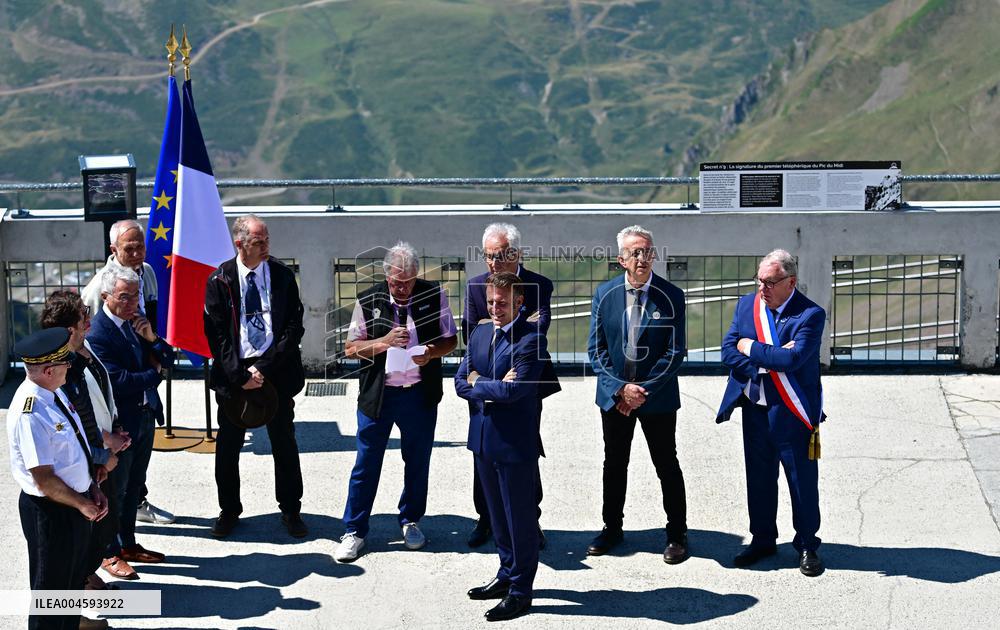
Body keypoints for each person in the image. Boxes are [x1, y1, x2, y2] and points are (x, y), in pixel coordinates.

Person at [334, 242, 458, 563]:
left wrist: (431, 353)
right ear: (386, 275)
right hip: (379, 396)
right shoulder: (368, 300)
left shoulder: (434, 295)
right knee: (366, 463)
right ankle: (354, 530)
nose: (403, 288)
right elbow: (350, 349)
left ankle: (411, 520)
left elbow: (451, 340)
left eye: (409, 281)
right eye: (397, 282)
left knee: (417, 462)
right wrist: (384, 342)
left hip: (419, 394)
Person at [456, 272, 560, 622]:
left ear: (519, 302)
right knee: (497, 516)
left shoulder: (531, 340)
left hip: (515, 444)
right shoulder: (480, 332)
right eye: (490, 302)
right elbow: (459, 382)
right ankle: (506, 573)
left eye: (502, 302)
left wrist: (478, 382)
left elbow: (516, 391)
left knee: (520, 520)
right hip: (483, 440)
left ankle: (521, 590)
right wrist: (491, 384)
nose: (495, 308)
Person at [716, 249, 826, 577]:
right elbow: (727, 352)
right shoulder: (747, 306)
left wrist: (750, 347)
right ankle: (762, 539)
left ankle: (807, 545)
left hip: (792, 411)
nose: (762, 288)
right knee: (759, 479)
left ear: (790, 282)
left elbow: (793, 360)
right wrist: (766, 361)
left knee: (801, 480)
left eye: (770, 282)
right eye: (759, 280)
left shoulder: (810, 315)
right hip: (755, 409)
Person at [586, 225, 689, 563]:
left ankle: (677, 534)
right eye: (634, 253)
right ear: (622, 260)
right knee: (615, 463)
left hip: (656, 398)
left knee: (666, 463)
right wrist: (620, 389)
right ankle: (612, 528)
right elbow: (596, 349)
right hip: (615, 397)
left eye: (647, 251)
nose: (642, 258)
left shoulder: (671, 295)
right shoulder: (604, 294)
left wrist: (641, 391)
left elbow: (675, 351)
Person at [203, 215, 308, 538]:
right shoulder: (220, 280)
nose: (265, 247)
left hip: (275, 369)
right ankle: (229, 510)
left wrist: (263, 368)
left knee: (284, 442)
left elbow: (294, 327)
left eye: (267, 240)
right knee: (228, 446)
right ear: (240, 244)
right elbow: (217, 335)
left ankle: (290, 508)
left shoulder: (281, 276)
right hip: (234, 373)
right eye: (258, 242)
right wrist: (239, 375)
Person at [8, 327, 111, 630]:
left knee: (70, 586)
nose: (70, 366)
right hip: (51, 512)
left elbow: (73, 447)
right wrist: (83, 503)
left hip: (73, 503)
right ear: (49, 370)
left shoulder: (54, 393)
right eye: (65, 362)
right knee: (50, 595)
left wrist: (92, 486)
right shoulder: (31, 411)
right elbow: (44, 479)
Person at [462, 223, 553, 549]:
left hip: (523, 384)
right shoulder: (475, 286)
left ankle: (530, 519)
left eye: (499, 256)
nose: (493, 263)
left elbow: (537, 331)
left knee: (524, 452)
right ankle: (486, 518)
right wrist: (487, 380)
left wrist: (495, 325)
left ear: (516, 253)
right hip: (484, 384)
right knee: (483, 452)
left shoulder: (539, 285)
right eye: (488, 256)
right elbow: (472, 334)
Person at [81, 218, 174, 526]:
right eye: (128, 248)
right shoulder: (100, 287)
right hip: (118, 387)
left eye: (140, 247)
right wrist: (154, 373)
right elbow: (93, 343)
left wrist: (154, 347)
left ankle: (136, 505)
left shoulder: (147, 273)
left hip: (142, 373)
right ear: (113, 249)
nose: (136, 254)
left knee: (138, 460)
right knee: (119, 465)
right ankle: (113, 526)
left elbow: (152, 316)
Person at [87, 267, 174, 578]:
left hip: (145, 416)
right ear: (106, 296)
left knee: (135, 486)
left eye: (136, 296)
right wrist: (154, 373)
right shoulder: (99, 333)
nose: (132, 303)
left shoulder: (137, 324)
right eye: (124, 297)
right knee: (116, 490)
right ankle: (108, 553)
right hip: (122, 425)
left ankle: (128, 543)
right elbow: (119, 381)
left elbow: (168, 358)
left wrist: (152, 339)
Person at [41, 290, 132, 590]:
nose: (89, 322)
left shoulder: (79, 358)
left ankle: (84, 580)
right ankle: (80, 591)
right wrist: (102, 455)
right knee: (76, 545)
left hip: (95, 464)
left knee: (100, 531)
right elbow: (70, 429)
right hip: (75, 472)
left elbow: (92, 410)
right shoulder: (55, 373)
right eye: (84, 317)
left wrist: (113, 435)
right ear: (70, 330)